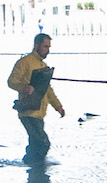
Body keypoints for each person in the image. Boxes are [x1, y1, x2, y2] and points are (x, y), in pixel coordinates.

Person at [8, 32, 65, 162]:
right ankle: (32, 165)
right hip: (28, 112)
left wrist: (58, 106)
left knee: (35, 144)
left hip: (39, 113)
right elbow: (11, 81)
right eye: (45, 46)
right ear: (36, 46)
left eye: (49, 47)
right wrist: (25, 87)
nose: (48, 50)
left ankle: (33, 169)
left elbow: (48, 90)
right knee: (43, 143)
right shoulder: (24, 62)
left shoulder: (43, 67)